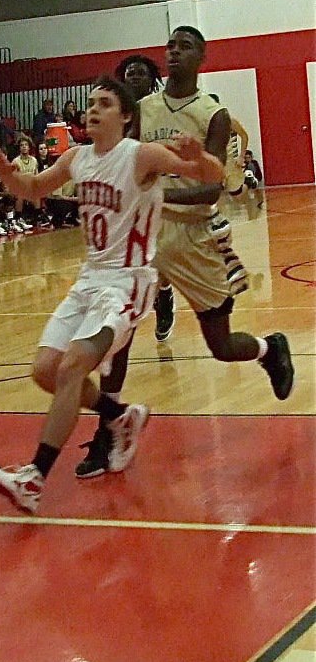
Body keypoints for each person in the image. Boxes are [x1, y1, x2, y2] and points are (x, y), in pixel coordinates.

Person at [0, 76, 225, 513]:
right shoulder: (77, 157)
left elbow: (213, 176)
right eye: (91, 102)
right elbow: (34, 188)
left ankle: (34, 477)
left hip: (128, 281)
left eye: (105, 103)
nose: (92, 109)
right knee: (45, 371)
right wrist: (5, 174)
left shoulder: (140, 156)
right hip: (89, 279)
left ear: (126, 116)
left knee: (73, 366)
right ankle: (120, 417)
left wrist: (199, 157)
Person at [76, 31, 294, 479]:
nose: (174, 51)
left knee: (221, 346)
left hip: (194, 240)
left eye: (185, 46)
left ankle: (268, 350)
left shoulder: (213, 114)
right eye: (171, 45)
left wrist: (162, 195)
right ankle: (108, 430)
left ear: (202, 57)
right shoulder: (145, 109)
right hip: (147, 241)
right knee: (117, 337)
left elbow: (212, 187)